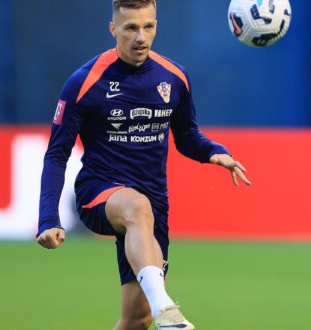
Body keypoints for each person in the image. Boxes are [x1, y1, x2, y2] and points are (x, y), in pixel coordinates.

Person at [36, 1, 250, 329]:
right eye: (131, 28)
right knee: (137, 206)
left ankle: (157, 310)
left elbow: (187, 135)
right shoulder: (84, 83)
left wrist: (213, 152)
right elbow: (56, 154)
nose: (140, 37)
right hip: (99, 192)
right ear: (113, 30)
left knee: (137, 319)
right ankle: (167, 308)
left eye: (148, 27)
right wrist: (48, 218)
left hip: (154, 206)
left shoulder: (174, 78)